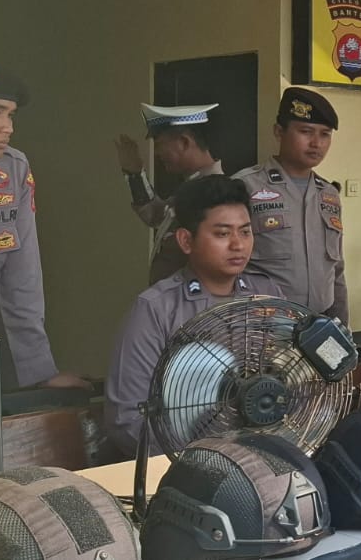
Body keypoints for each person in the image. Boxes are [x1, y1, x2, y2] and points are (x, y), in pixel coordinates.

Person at [103, 174, 282, 457]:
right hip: (184, 463)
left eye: (245, 232)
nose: (238, 245)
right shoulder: (155, 310)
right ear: (186, 240)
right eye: (222, 234)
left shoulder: (267, 294)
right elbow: (127, 419)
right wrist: (197, 460)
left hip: (263, 454)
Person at [0, 61, 86, 390]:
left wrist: (39, 374)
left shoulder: (13, 170)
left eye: (11, 115)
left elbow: (22, 278)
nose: (7, 127)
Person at [233, 87, 348, 323]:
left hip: (319, 324)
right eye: (305, 132)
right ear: (279, 132)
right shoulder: (245, 186)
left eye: (325, 134)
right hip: (262, 323)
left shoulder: (328, 194)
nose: (316, 143)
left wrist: (343, 327)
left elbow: (336, 270)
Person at [114, 103, 223, 285]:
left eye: (159, 145)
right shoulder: (193, 187)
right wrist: (135, 174)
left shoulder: (216, 194)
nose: (156, 153)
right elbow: (156, 215)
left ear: (184, 142)